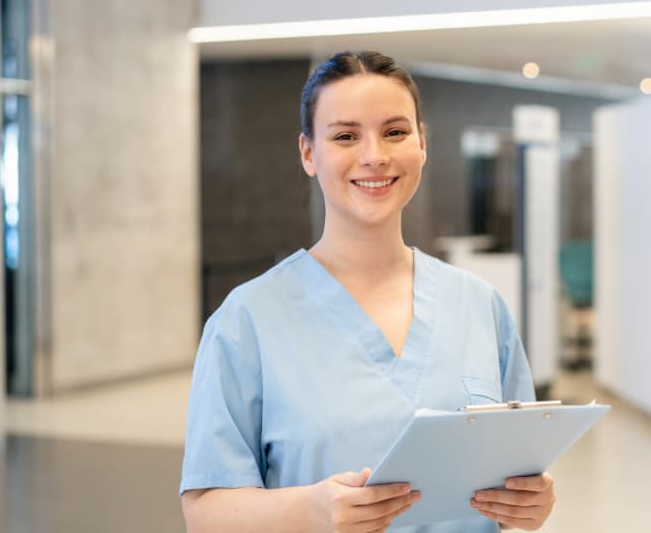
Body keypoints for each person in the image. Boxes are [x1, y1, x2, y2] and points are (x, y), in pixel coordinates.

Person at [180, 51, 556, 532]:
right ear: (309, 153)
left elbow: (520, 475)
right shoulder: (248, 320)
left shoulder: (481, 306)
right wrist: (309, 511)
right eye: (345, 136)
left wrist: (531, 504)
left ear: (423, 144)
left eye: (395, 132)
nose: (374, 155)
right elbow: (205, 514)